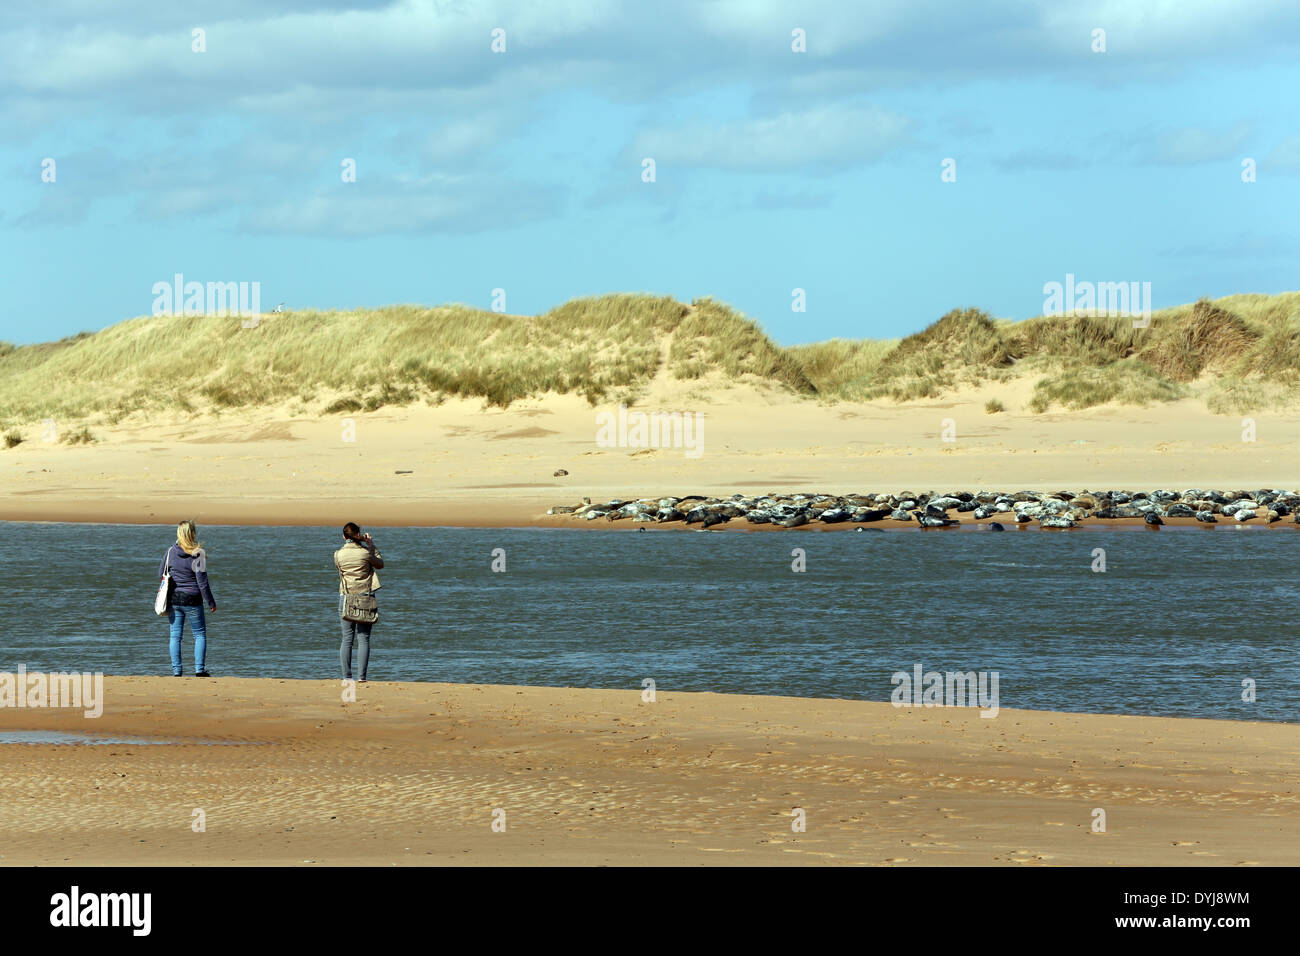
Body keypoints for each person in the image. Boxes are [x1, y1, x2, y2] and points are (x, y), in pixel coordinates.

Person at [159, 520, 216, 677]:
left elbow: (160, 574)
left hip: (174, 599)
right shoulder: (198, 553)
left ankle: (177, 672)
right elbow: (202, 583)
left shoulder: (170, 552)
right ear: (192, 534)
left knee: (175, 636)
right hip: (193, 599)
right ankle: (199, 670)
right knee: (199, 634)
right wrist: (211, 602)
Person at [335, 522, 383, 682]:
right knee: (363, 638)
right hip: (365, 597)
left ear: (344, 537)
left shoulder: (338, 555)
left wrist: (358, 540)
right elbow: (379, 564)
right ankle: (361, 677)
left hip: (345, 597)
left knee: (347, 638)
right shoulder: (365, 553)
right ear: (358, 535)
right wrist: (370, 544)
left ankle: (346, 677)